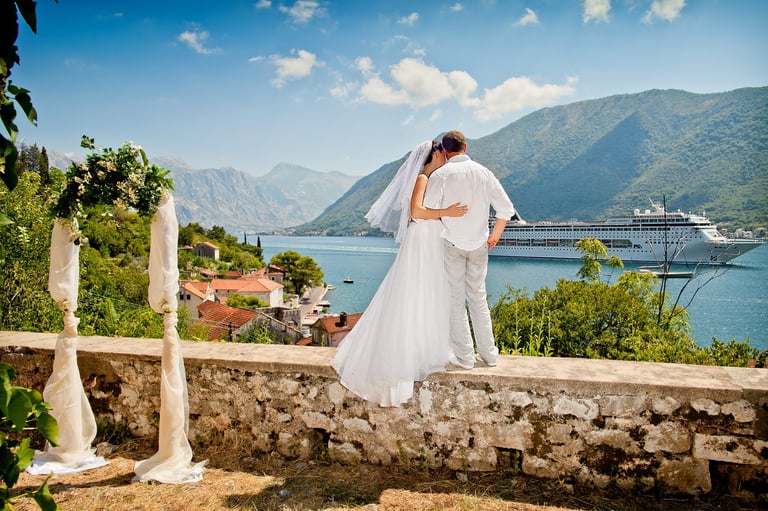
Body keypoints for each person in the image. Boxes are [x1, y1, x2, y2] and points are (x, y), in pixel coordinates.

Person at [331, 140, 467, 407]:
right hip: (421, 241)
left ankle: (424, 351)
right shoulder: (421, 178)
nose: (445, 157)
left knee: (429, 293)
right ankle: (406, 357)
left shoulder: (433, 179)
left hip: (430, 239)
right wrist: (446, 212)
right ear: (436, 154)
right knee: (414, 291)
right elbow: (417, 213)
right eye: (442, 152)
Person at [423, 130, 516, 370]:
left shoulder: (441, 175)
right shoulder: (484, 173)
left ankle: (465, 357)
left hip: (452, 244)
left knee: (456, 300)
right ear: (465, 148)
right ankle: (490, 355)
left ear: (445, 151)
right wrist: (494, 235)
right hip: (479, 245)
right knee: (478, 298)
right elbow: (506, 209)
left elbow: (429, 209)